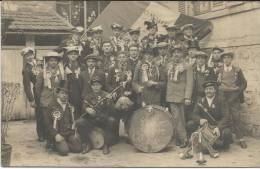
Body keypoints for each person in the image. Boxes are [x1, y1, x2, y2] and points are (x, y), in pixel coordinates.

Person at [184, 81, 232, 163]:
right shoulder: (200, 100)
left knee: (227, 132)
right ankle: (202, 144)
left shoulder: (221, 100)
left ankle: (220, 146)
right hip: (205, 127)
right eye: (206, 89)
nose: (208, 91)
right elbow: (194, 114)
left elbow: (226, 117)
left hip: (217, 126)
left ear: (215, 90)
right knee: (190, 124)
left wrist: (218, 127)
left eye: (210, 89)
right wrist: (200, 120)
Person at [76, 75, 118, 154]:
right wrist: (87, 109)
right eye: (94, 85)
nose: (95, 87)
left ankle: (106, 145)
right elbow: (83, 109)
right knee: (79, 122)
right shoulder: (88, 96)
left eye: (97, 85)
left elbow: (113, 110)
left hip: (103, 119)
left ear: (101, 86)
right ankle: (87, 143)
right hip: (92, 120)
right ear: (91, 86)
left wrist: (109, 101)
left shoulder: (106, 95)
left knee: (111, 121)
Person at [218, 51, 247, 149]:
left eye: (229, 57)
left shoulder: (237, 70)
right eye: (225, 58)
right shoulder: (219, 70)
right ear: (222, 59)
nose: (227, 59)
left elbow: (244, 83)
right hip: (223, 96)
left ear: (231, 59)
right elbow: (216, 83)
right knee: (225, 116)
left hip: (234, 96)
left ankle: (241, 139)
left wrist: (238, 91)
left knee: (236, 117)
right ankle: (224, 137)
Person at [35, 51, 65, 147]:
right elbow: (37, 88)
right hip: (45, 100)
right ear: (47, 62)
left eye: (55, 61)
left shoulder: (61, 73)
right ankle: (49, 140)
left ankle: (55, 139)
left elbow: (64, 86)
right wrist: (39, 100)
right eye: (51, 60)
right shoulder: (42, 73)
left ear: (57, 62)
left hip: (57, 99)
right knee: (47, 120)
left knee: (56, 118)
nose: (53, 62)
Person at [44, 80, 82, 156]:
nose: (65, 95)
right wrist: (55, 135)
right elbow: (47, 123)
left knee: (78, 149)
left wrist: (74, 132)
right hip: (58, 134)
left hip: (68, 133)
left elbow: (73, 121)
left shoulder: (70, 106)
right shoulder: (52, 106)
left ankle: (64, 143)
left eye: (66, 93)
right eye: (62, 93)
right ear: (57, 94)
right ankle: (53, 143)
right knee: (64, 151)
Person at [166, 45, 193, 148]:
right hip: (171, 95)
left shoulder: (187, 66)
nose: (176, 54)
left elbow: (190, 83)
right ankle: (181, 138)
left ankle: (183, 138)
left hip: (182, 96)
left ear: (182, 54)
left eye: (178, 52)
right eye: (174, 52)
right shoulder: (169, 65)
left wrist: (187, 97)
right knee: (176, 118)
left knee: (181, 118)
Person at [21, 47, 45, 142]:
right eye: (27, 55)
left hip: (47, 89)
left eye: (31, 54)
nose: (30, 57)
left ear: (33, 54)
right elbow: (27, 86)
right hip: (38, 92)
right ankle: (41, 135)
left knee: (48, 112)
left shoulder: (40, 63)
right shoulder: (26, 69)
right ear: (24, 57)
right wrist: (31, 100)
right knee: (40, 114)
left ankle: (48, 133)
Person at [63, 46, 84, 119]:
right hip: (68, 93)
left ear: (78, 55)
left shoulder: (82, 66)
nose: (73, 55)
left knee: (79, 114)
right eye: (71, 54)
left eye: (75, 54)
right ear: (68, 55)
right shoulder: (63, 66)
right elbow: (62, 82)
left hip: (79, 93)